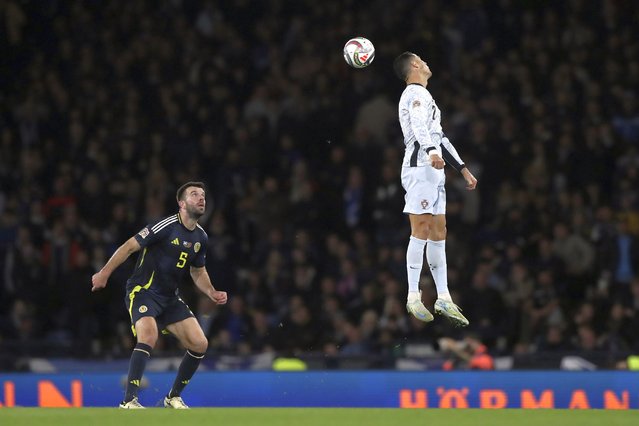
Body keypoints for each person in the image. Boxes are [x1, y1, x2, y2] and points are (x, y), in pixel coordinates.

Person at [91, 181, 228, 409]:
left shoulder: (201, 238)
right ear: (181, 203)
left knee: (200, 343)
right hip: (143, 291)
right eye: (194, 194)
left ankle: (172, 397)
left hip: (169, 297)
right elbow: (128, 247)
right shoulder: (165, 225)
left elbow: (198, 270)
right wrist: (104, 273)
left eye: (203, 195)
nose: (201, 198)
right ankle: (128, 401)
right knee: (148, 335)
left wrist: (211, 291)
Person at [392, 52, 477, 326]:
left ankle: (443, 297)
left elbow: (439, 137)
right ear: (415, 65)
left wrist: (462, 168)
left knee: (439, 231)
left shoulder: (426, 97)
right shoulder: (414, 93)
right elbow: (419, 127)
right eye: (422, 60)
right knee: (421, 228)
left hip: (433, 169)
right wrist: (430, 152)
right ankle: (413, 295)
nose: (427, 62)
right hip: (420, 167)